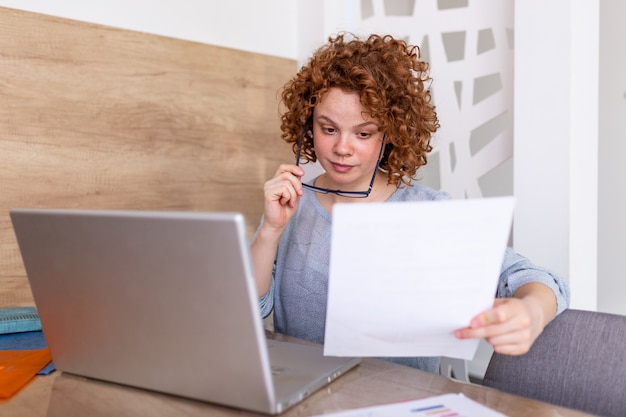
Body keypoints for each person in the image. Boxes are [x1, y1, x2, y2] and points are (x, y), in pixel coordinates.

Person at [251, 33, 570, 373]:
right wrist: (271, 230)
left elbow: (533, 278)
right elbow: (253, 311)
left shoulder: (427, 212)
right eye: (328, 129)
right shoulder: (292, 204)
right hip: (305, 396)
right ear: (307, 126)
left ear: (390, 134)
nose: (342, 148)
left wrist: (531, 312)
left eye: (363, 133)